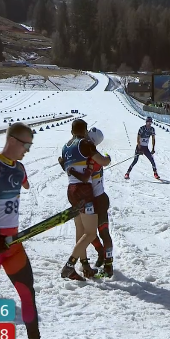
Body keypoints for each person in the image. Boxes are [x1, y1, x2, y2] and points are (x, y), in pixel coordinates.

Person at [0, 122, 65, 339]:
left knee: (27, 294)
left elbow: (24, 183)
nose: (28, 150)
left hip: (13, 243)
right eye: (26, 145)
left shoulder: (19, 168)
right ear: (12, 141)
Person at [59, 120, 111, 281]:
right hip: (84, 191)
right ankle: (69, 266)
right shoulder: (85, 143)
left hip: (71, 190)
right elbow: (103, 161)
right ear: (85, 131)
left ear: (71, 131)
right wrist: (108, 157)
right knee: (90, 233)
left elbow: (67, 167)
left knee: (80, 231)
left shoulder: (65, 146)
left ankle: (85, 265)